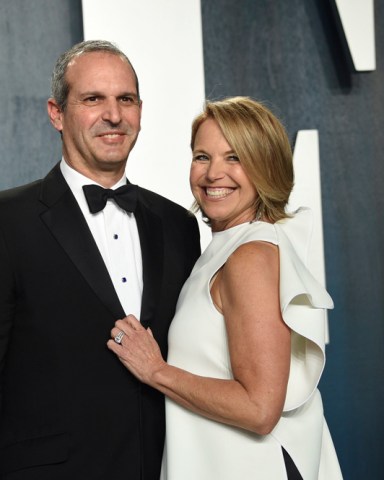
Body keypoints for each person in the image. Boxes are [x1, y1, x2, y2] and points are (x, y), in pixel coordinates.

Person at [108, 97, 343, 479]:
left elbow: (260, 409)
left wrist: (155, 371)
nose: (213, 173)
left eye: (234, 157)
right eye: (202, 156)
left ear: (265, 167)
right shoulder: (228, 247)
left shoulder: (249, 256)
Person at [0, 40, 200, 479]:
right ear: (56, 112)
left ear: (140, 112)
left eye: (125, 99)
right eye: (93, 99)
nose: (113, 115)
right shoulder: (8, 220)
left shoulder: (179, 225)